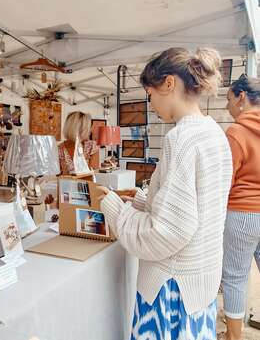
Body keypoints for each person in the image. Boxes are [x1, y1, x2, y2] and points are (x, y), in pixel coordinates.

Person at [98, 47, 233, 339]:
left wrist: (113, 208)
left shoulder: (181, 138)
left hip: (172, 287)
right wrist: (139, 200)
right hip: (199, 280)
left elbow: (167, 232)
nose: (150, 103)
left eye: (149, 93)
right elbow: (196, 205)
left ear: (168, 83)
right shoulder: (215, 133)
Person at [221, 75, 260, 340]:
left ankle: (233, 336)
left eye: (228, 99)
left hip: (242, 212)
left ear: (241, 97)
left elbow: (226, 181)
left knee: (235, 277)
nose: (227, 106)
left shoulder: (236, 131)